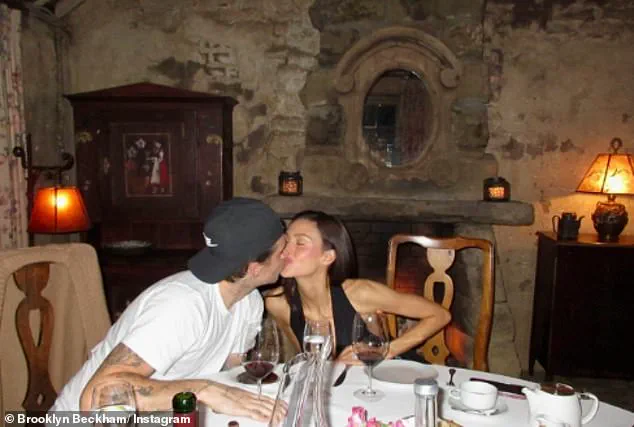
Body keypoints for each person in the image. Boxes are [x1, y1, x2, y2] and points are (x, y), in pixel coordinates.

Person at [50, 198, 288, 424]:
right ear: (254, 268)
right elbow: (95, 398)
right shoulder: (183, 306)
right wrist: (204, 390)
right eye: (282, 250)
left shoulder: (249, 301)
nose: (288, 255)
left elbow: (232, 371)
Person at [265, 210, 451, 364]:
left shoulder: (359, 293)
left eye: (300, 243)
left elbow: (440, 315)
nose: (285, 250)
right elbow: (309, 361)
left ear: (327, 257)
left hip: (394, 377)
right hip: (349, 389)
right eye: (286, 241)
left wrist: (387, 351)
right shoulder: (278, 304)